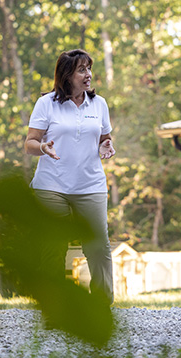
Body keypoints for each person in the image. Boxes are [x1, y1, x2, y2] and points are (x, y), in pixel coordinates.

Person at [24, 49, 116, 304]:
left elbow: (104, 139)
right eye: (82, 70)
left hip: (91, 184)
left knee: (98, 247)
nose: (88, 75)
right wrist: (43, 147)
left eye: (89, 68)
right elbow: (29, 143)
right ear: (67, 75)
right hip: (51, 186)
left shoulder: (99, 104)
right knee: (53, 247)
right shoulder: (47, 104)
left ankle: (101, 306)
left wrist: (106, 146)